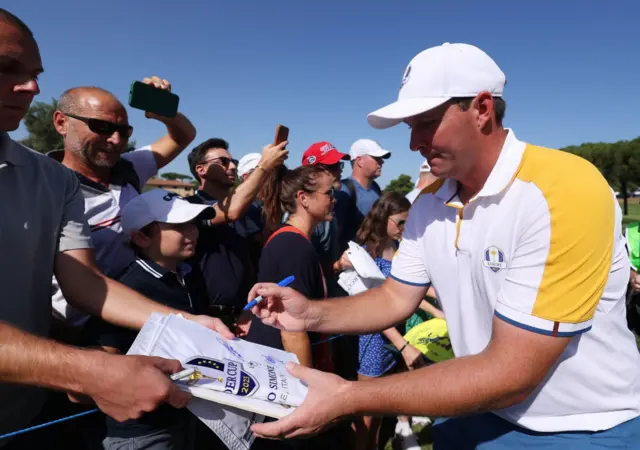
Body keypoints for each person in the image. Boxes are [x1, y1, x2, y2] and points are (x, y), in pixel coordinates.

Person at [247, 42, 640, 448]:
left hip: (580, 427)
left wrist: (348, 397)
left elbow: (512, 373)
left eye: (427, 122)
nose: (414, 142)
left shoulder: (564, 190)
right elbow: (395, 298)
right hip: (472, 407)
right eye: (410, 126)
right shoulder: (430, 201)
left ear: (483, 109)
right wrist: (310, 314)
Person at [0, 9, 231, 449]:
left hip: (43, 391)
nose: (31, 87)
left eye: (123, 130)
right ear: (61, 123)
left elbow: (86, 283)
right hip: (66, 354)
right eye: (7, 67)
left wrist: (188, 321)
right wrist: (83, 367)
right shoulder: (63, 175)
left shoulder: (58, 180)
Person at [49, 78, 197, 330]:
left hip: (141, 316)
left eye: (124, 131)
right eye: (101, 127)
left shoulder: (128, 167)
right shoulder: (46, 185)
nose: (116, 140)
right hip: (78, 329)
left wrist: (164, 112)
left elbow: (184, 136)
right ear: (62, 123)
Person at [83, 190, 215, 450]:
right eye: (179, 226)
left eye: (193, 224)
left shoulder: (189, 275)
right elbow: (100, 358)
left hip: (184, 418)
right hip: (143, 433)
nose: (193, 232)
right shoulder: (127, 291)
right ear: (141, 237)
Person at [336, 191, 423, 450]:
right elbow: (375, 308)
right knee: (368, 414)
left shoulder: (396, 248)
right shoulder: (364, 255)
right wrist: (403, 346)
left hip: (394, 337)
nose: (405, 228)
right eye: (400, 222)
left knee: (382, 411)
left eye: (409, 222)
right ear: (383, 218)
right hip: (375, 340)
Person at [186, 138, 287, 330]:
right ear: (201, 170)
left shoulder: (248, 212)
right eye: (223, 162)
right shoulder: (189, 207)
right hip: (205, 319)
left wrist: (251, 308)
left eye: (234, 162)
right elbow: (230, 212)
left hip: (246, 315)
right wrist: (264, 166)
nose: (232, 167)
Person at [335, 138, 390, 252]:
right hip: (351, 262)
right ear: (359, 161)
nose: (382, 162)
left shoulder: (376, 188)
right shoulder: (344, 191)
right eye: (376, 158)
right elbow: (335, 234)